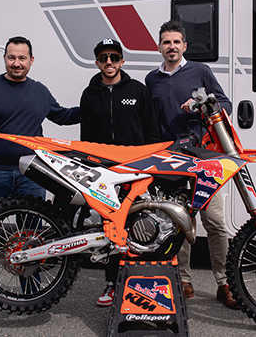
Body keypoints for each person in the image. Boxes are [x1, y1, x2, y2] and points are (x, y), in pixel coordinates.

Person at [0, 35, 80, 315]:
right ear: (4, 59)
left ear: (31, 61)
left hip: (32, 174)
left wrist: (96, 106)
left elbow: (62, 116)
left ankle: (31, 293)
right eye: (12, 57)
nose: (17, 63)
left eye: (22, 58)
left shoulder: (39, 91)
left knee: (31, 238)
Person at [145, 20, 239, 309]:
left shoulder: (201, 71)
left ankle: (225, 283)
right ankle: (183, 280)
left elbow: (225, 104)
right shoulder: (151, 80)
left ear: (184, 46)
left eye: (176, 42)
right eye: (166, 42)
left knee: (215, 222)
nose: (171, 47)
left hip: (204, 158)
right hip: (171, 161)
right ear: (159, 47)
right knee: (179, 223)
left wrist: (202, 105)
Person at [80, 38, 161, 307]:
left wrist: (152, 166)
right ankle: (112, 284)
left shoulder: (138, 90)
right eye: (103, 57)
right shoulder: (89, 94)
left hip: (137, 171)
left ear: (122, 61)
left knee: (141, 228)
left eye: (114, 57)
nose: (109, 62)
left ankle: (143, 284)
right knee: (111, 230)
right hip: (106, 174)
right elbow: (85, 139)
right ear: (97, 63)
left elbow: (152, 131)